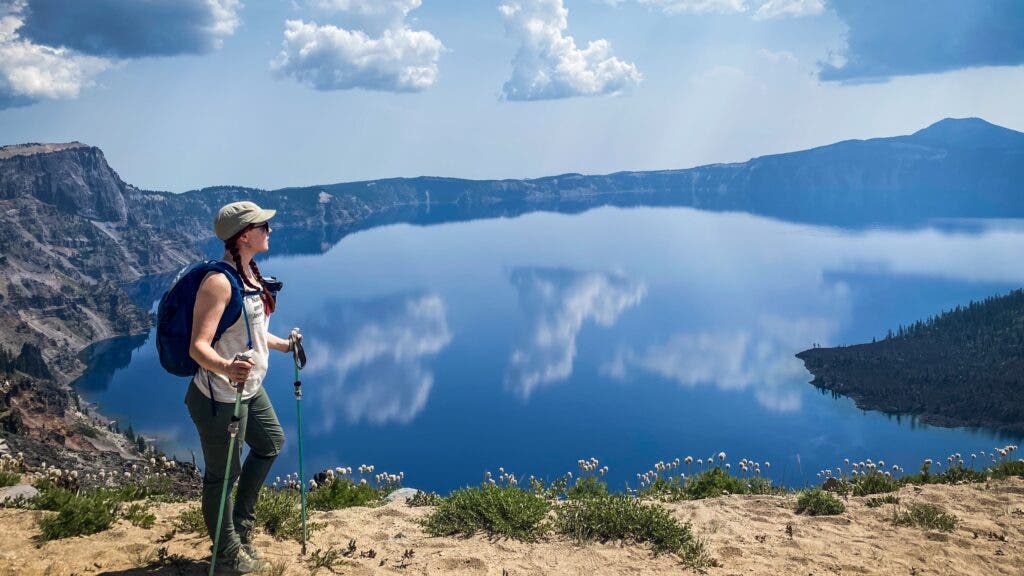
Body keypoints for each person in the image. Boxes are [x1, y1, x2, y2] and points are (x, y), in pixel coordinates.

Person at [186, 201, 300, 573]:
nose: (270, 230)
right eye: (264, 226)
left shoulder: (249, 272)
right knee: (224, 475)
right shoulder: (218, 282)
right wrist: (225, 367)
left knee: (271, 444)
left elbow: (248, 331)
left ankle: (241, 528)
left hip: (249, 388)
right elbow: (198, 346)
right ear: (244, 234)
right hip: (219, 398)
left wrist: (284, 344)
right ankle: (226, 548)